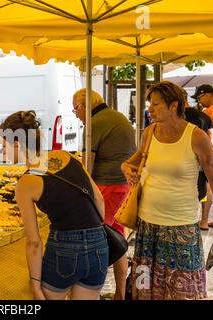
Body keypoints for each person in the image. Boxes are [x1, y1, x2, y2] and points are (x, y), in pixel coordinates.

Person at [121, 81, 213, 300]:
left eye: (155, 104)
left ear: (173, 106)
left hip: (181, 228)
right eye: (149, 104)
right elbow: (131, 163)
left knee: (182, 293)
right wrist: (127, 170)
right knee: (144, 287)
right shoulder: (148, 132)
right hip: (147, 227)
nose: (150, 109)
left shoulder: (196, 137)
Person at [0, 110, 108, 300]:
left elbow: (33, 243)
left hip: (64, 248)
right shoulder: (68, 156)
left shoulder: (26, 183)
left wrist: (35, 284)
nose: (3, 151)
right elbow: (99, 199)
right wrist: (93, 236)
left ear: (16, 144)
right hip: (99, 246)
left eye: (4, 146)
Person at [72, 89, 136, 300]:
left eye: (75, 110)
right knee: (116, 240)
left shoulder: (95, 123)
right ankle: (119, 293)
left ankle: (90, 294)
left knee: (96, 241)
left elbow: (86, 168)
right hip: (121, 186)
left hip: (107, 186)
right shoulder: (116, 116)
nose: (76, 115)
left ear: (83, 106)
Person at [182, 88, 213, 230]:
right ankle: (203, 221)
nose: (199, 101)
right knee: (205, 188)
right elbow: (212, 136)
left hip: (188, 162)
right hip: (206, 160)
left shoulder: (208, 111)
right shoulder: (204, 116)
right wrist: (206, 151)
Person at [192, 84, 213, 229]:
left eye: (200, 97)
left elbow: (208, 135)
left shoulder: (209, 112)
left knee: (209, 187)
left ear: (207, 94)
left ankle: (203, 221)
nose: (199, 101)